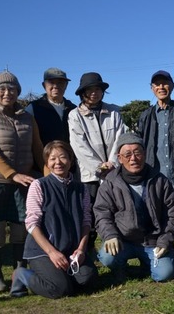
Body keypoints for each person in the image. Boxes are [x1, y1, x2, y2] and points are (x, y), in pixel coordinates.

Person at [0, 71, 44, 293]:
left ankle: (19, 273)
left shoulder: (27, 118)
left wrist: (48, 174)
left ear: (18, 92)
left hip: (23, 183)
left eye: (12, 89)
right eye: (2, 89)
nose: (7, 93)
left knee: (21, 230)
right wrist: (11, 174)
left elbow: (38, 149)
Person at [10, 140, 98, 299]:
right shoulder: (39, 185)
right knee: (60, 289)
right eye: (52, 159)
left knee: (88, 280)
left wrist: (81, 249)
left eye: (63, 157)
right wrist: (52, 253)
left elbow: (86, 221)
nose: (58, 162)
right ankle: (22, 274)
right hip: (42, 251)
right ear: (47, 163)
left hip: (71, 250)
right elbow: (31, 223)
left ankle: (62, 276)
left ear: (71, 161)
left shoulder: (81, 189)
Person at [94, 133, 174, 283]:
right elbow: (102, 213)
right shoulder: (110, 182)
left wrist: (166, 239)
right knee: (107, 257)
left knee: (164, 274)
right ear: (119, 158)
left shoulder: (160, 180)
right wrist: (110, 235)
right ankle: (121, 266)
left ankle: (148, 263)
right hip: (123, 240)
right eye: (127, 154)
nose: (133, 158)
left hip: (154, 241)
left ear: (145, 154)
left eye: (137, 153)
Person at [68, 72, 125, 253]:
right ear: (82, 93)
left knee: (116, 208)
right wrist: (99, 167)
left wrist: (113, 162)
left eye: (98, 89)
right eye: (90, 90)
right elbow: (79, 146)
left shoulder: (114, 111)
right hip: (89, 174)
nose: (94, 93)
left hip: (114, 170)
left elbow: (120, 137)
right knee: (89, 211)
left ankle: (118, 245)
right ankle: (89, 250)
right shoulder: (75, 115)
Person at [137, 70, 174, 259]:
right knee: (157, 216)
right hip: (154, 176)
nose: (161, 87)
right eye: (156, 84)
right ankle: (161, 251)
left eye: (164, 83)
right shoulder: (146, 115)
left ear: (172, 86)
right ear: (152, 89)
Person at [25, 68, 76, 146]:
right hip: (44, 157)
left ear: (66, 85)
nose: (55, 86)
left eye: (60, 83)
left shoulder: (73, 109)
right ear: (44, 85)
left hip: (70, 157)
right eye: (51, 82)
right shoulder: (34, 108)